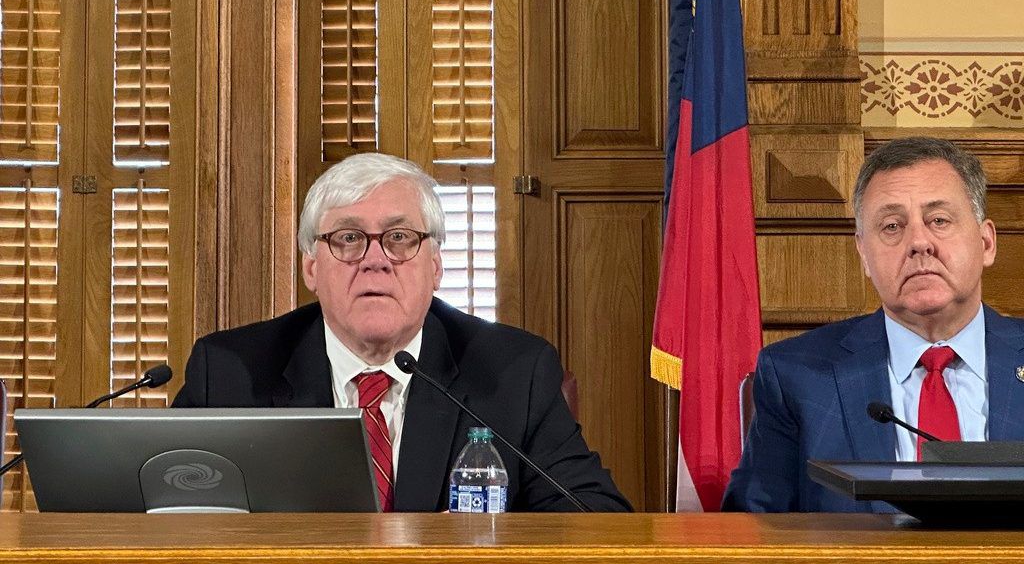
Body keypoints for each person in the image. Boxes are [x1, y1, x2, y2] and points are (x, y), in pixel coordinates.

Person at [173, 152, 631, 513]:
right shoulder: (231, 372)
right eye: (348, 238)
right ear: (311, 267)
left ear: (434, 266)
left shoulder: (513, 372)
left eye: (399, 238)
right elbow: (161, 516)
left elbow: (594, 513)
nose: (376, 260)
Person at [722, 136, 1024, 512]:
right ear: (864, 255)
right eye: (892, 226)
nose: (918, 242)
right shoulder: (796, 377)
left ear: (986, 243)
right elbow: (750, 530)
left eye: (939, 220)